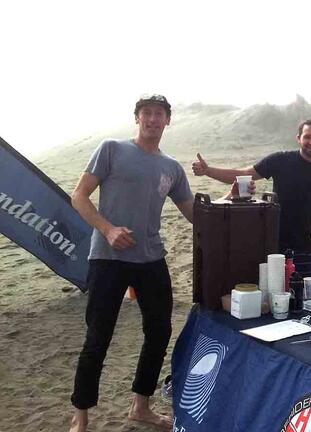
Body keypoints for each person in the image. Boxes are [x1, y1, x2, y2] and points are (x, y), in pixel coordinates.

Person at [69, 94, 194, 432]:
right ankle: (80, 416)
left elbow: (196, 214)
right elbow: (78, 196)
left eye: (159, 115)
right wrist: (107, 229)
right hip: (108, 258)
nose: (153, 120)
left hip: (151, 258)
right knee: (98, 336)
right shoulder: (112, 149)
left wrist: (234, 200)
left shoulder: (171, 167)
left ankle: (141, 406)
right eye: (147, 114)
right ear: (137, 118)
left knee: (159, 331)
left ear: (168, 120)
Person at [192, 119, 311, 276]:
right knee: (269, 295)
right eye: (307, 136)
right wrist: (208, 171)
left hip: (303, 248)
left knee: (305, 297)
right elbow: (244, 174)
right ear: (298, 138)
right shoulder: (280, 160)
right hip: (270, 244)